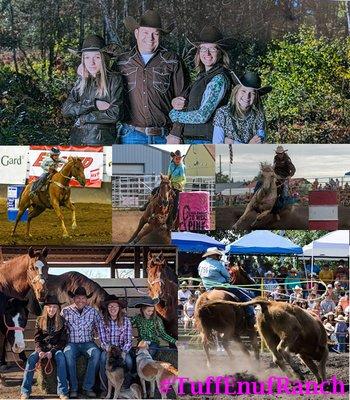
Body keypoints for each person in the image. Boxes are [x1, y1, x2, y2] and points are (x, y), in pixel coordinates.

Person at [115, 9, 188, 144]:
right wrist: (85, 71)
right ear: (136, 33)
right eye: (146, 32)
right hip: (131, 136)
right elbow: (104, 87)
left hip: (165, 136)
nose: (150, 38)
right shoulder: (122, 62)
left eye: (156, 33)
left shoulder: (172, 60)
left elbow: (184, 99)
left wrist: (176, 133)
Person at [169, 25, 232, 144]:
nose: (207, 53)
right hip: (195, 139)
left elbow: (202, 116)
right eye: (203, 49)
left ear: (220, 52)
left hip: (204, 140)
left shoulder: (219, 79)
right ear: (198, 52)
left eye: (213, 49)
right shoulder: (203, 76)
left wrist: (174, 115)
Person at [62, 34, 124, 145]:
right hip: (77, 141)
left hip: (101, 142)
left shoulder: (114, 80)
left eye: (96, 57)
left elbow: (115, 114)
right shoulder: (82, 80)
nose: (92, 62)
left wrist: (84, 118)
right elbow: (66, 109)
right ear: (83, 60)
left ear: (104, 58)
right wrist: (93, 104)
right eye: (87, 57)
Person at [20, 295, 69, 400]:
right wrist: (40, 351)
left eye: (54, 307)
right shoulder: (39, 320)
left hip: (56, 349)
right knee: (31, 359)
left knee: (61, 358)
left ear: (58, 308)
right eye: (49, 307)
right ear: (46, 308)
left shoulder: (63, 321)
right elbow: (37, 339)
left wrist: (52, 351)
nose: (52, 309)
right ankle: (25, 391)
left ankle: (62, 391)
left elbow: (63, 341)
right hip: (42, 348)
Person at [198, 247, 255, 326]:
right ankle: (250, 316)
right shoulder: (218, 264)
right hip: (222, 286)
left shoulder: (201, 264)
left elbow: (200, 275)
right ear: (213, 255)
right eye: (217, 255)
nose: (218, 257)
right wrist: (227, 280)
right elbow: (227, 276)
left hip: (208, 288)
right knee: (246, 296)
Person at [62, 287, 101, 399]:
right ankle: (73, 388)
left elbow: (100, 328)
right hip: (72, 343)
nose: (81, 300)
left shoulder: (93, 312)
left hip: (88, 342)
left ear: (87, 299)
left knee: (96, 354)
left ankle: (87, 387)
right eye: (78, 298)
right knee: (68, 354)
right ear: (73, 298)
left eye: (83, 298)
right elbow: (60, 328)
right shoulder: (65, 311)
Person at [212, 71, 271, 144]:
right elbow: (217, 145)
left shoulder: (258, 116)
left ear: (256, 97)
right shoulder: (222, 113)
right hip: (227, 155)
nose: (247, 96)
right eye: (243, 91)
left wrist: (232, 142)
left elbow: (258, 145)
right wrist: (248, 146)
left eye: (252, 93)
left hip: (250, 155)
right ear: (236, 92)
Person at [140, 150, 186, 227]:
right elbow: (168, 175)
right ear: (173, 158)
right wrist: (166, 180)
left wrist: (180, 184)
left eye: (179, 158)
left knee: (175, 205)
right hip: (169, 184)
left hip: (177, 187)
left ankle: (171, 223)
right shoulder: (171, 166)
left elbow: (184, 179)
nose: (178, 160)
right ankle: (147, 204)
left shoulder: (182, 167)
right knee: (155, 190)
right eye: (177, 158)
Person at [98, 295, 133, 393]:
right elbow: (103, 340)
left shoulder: (126, 321)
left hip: (121, 349)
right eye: (110, 307)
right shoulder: (102, 321)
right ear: (107, 309)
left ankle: (124, 386)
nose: (112, 308)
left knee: (129, 361)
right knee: (103, 359)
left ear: (119, 308)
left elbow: (128, 340)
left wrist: (124, 352)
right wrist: (108, 350)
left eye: (115, 306)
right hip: (108, 349)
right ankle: (104, 388)